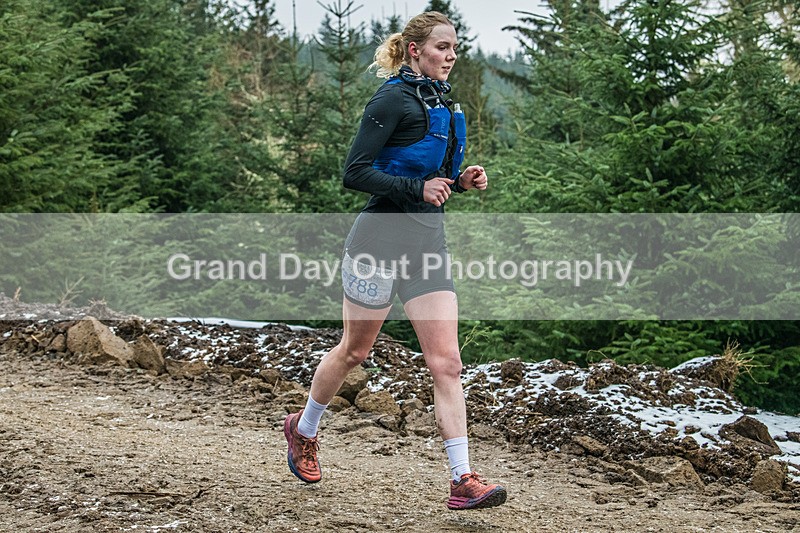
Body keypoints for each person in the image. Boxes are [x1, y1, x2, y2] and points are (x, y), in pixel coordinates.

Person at [283, 11, 507, 511]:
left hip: (427, 246)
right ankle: (303, 428)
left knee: (446, 363)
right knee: (353, 352)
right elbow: (355, 172)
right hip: (376, 244)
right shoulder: (390, 98)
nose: (451, 56)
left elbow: (434, 181)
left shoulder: (443, 104)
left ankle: (462, 479)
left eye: (455, 48)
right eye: (442, 48)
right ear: (414, 51)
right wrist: (417, 187)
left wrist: (461, 181)